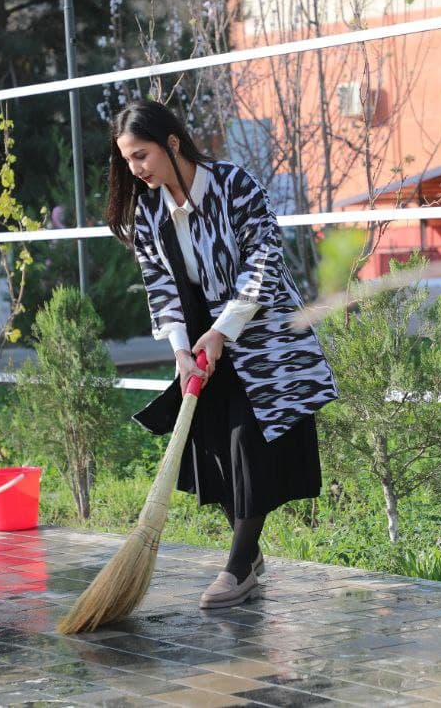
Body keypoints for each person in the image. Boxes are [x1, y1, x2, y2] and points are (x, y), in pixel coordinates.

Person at [105, 99, 337, 609]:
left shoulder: (233, 185)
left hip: (264, 339)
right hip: (203, 345)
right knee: (216, 456)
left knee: (249, 447)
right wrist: (180, 348)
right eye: (127, 161)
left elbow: (263, 261)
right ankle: (248, 554)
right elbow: (159, 283)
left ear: (171, 142)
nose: (135, 170)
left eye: (140, 155)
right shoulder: (148, 210)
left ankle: (238, 566)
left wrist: (223, 330)